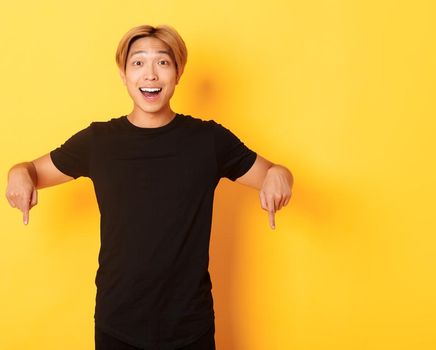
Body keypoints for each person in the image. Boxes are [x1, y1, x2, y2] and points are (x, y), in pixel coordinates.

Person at [4, 24, 294, 350]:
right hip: (118, 324)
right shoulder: (98, 142)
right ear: (123, 75)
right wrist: (18, 173)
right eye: (138, 63)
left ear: (178, 72)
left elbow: (272, 172)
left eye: (163, 63)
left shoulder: (208, 140)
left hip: (190, 326)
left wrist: (280, 174)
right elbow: (30, 170)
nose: (150, 75)